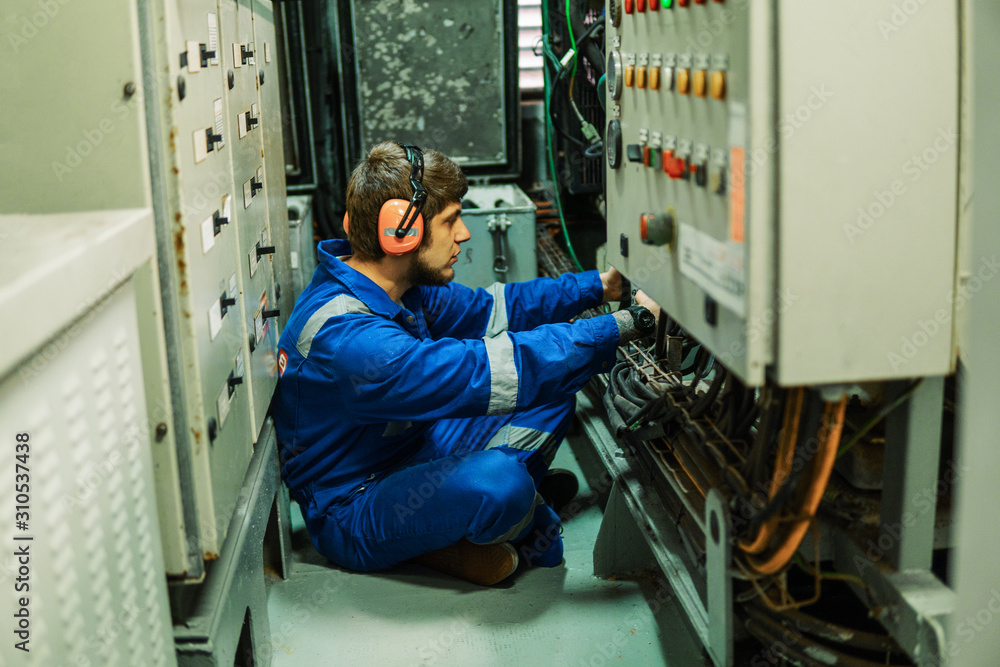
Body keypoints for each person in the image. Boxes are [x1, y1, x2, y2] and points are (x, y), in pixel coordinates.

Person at [273, 141, 660, 586]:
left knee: (553, 389)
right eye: (451, 221)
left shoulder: (393, 284)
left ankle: (465, 523)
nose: (464, 234)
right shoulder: (351, 339)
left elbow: (495, 308)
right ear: (401, 232)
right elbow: (483, 373)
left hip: (414, 445)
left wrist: (601, 286)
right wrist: (633, 323)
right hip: (355, 503)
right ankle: (504, 515)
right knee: (501, 483)